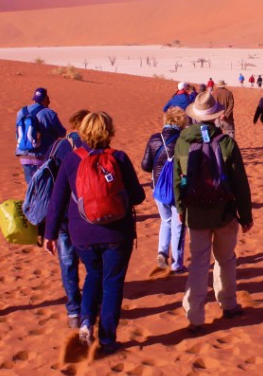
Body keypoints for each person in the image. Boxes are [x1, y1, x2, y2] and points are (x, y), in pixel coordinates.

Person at [43, 111, 146, 352]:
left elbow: (57, 200)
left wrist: (49, 234)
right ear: (109, 131)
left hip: (82, 233)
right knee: (112, 284)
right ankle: (108, 340)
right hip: (117, 233)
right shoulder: (119, 158)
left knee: (92, 276)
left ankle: (86, 321)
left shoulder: (71, 159)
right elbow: (138, 196)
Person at [174, 91, 254, 333]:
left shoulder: (182, 142)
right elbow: (240, 182)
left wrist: (180, 208)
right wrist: (245, 215)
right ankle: (228, 304)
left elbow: (178, 180)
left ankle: (195, 315)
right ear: (216, 116)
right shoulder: (227, 142)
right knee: (226, 259)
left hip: (196, 214)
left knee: (198, 263)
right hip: (224, 213)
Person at [44, 108, 89, 328]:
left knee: (68, 262)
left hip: (61, 216)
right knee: (92, 263)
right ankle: (90, 306)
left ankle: (73, 310)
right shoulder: (90, 148)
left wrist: (47, 230)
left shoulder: (57, 146)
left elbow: (50, 186)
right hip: (86, 215)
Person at [141, 106, 188, 273]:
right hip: (178, 190)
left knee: (165, 221)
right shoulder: (184, 140)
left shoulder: (155, 139)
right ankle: (177, 264)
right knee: (179, 225)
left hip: (159, 190)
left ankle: (162, 252)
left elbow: (145, 166)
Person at [16, 87, 66, 184]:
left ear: (34, 99)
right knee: (44, 190)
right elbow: (62, 133)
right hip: (42, 158)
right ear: (45, 99)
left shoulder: (21, 112)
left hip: (24, 157)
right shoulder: (49, 113)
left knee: (31, 188)